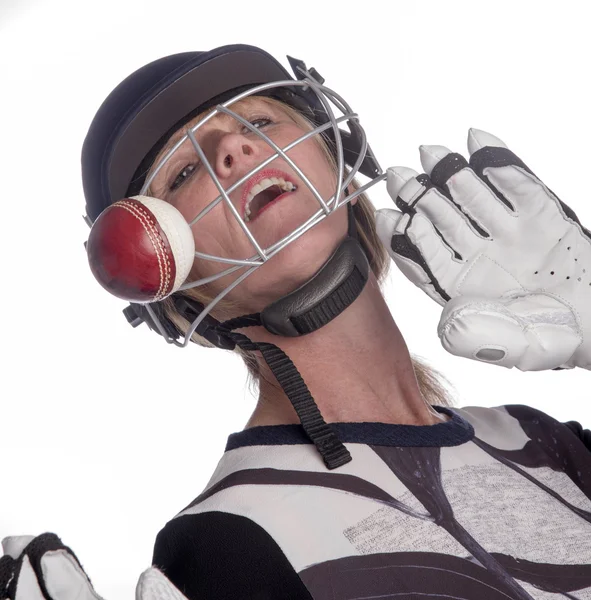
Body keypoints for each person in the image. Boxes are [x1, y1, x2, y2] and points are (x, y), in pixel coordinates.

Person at [3, 44, 591, 600]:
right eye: (183, 174)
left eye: (260, 122)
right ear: (167, 276)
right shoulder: (229, 538)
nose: (234, 148)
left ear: (332, 155)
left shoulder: (547, 445)